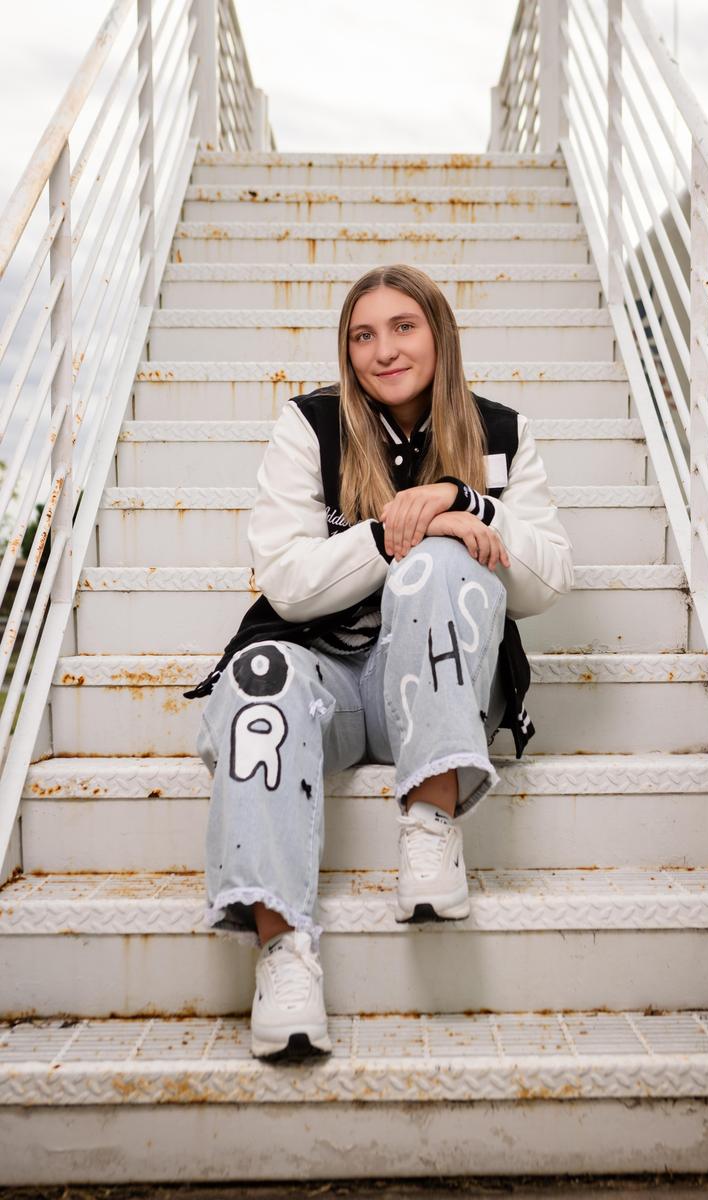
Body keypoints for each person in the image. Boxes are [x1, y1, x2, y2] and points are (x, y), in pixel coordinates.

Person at [183, 263, 574, 1060]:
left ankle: (430, 823)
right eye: (363, 334)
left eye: (404, 327)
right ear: (347, 349)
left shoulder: (504, 431)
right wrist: (391, 527)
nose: (383, 349)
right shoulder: (309, 426)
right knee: (259, 678)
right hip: (321, 678)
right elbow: (288, 585)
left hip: (437, 689)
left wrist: (466, 507)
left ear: (440, 334)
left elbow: (547, 580)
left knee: (441, 562)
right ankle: (283, 955)